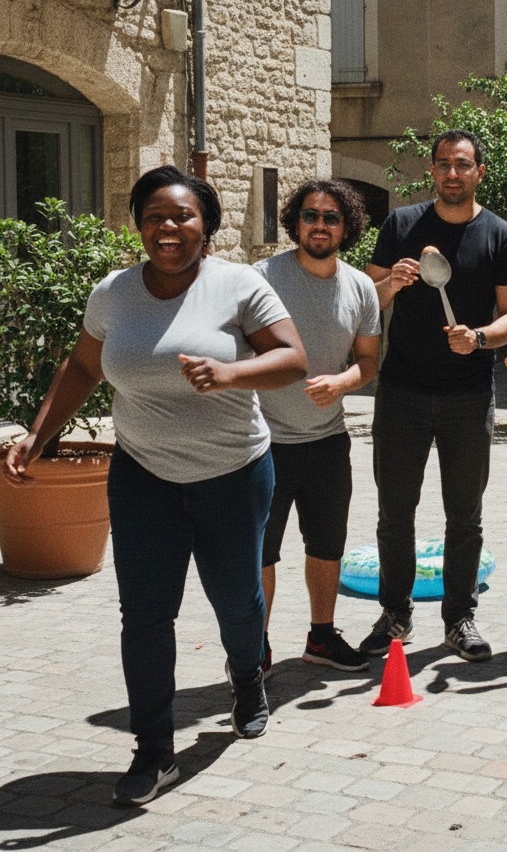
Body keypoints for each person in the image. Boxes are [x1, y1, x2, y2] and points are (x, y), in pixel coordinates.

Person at [3, 166, 307, 805]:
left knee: (238, 600)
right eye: (154, 216)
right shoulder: (113, 293)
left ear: (206, 225)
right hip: (143, 475)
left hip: (234, 473)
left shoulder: (239, 284)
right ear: (139, 225)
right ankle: (153, 750)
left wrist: (230, 374)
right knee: (144, 614)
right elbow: (83, 365)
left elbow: (292, 359)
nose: (168, 227)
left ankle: (247, 676)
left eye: (182, 215)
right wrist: (38, 434)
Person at [360, 129, 507, 661]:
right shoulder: (401, 225)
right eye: (443, 164)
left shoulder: (500, 235)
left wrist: (479, 338)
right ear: (431, 171)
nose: (452, 173)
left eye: (462, 164)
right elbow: (366, 301)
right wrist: (392, 283)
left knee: (465, 515)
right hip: (402, 391)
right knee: (394, 513)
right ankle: (395, 613)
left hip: (468, 395)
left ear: (479, 172)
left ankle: (459, 617)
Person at [254, 180, 380, 675]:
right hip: (264, 442)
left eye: (331, 217)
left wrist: (344, 382)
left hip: (328, 440)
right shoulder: (262, 279)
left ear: (347, 227)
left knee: (327, 546)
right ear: (295, 222)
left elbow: (368, 360)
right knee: (261, 551)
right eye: (310, 215)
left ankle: (321, 638)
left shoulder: (361, 287)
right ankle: (255, 646)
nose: (320, 225)